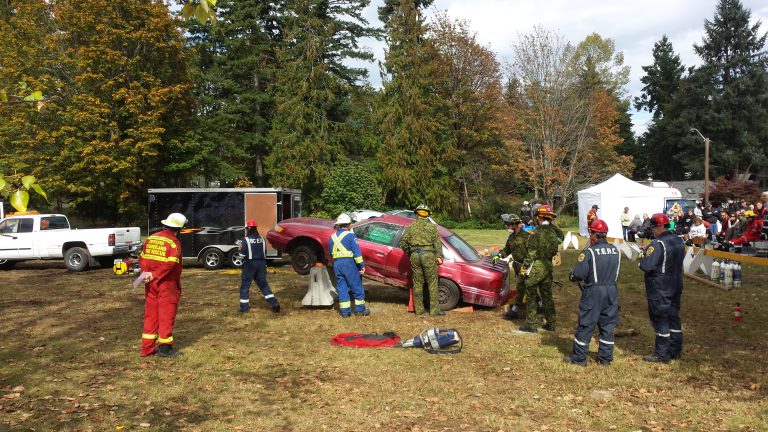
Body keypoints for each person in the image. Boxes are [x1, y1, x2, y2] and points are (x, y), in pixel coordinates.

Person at [564, 219, 620, 366]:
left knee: (586, 324)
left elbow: (579, 274)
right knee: (608, 325)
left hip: (594, 291)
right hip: (612, 290)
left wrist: (572, 275)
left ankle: (579, 358)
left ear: (594, 235)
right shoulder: (616, 250)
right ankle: (606, 358)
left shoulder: (589, 252)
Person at [638, 213, 685, 363]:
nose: (652, 231)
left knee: (660, 319)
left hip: (660, 286)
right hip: (676, 282)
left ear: (658, 227)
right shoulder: (679, 240)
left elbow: (647, 265)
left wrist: (642, 258)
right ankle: (675, 350)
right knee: (673, 316)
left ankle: (661, 353)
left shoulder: (657, 244)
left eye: (653, 228)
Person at [139, 212, 187, 358]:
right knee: (166, 314)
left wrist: (145, 274)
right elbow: (171, 264)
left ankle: (146, 349)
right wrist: (156, 274)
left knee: (151, 314)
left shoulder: (151, 238)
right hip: (167, 284)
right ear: (178, 229)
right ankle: (165, 349)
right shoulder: (174, 242)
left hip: (150, 283)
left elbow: (142, 258)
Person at [518, 205, 563, 333]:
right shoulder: (554, 232)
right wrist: (551, 223)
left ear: (539, 218)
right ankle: (551, 323)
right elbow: (562, 237)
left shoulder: (535, 233)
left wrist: (524, 267)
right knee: (547, 296)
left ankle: (531, 325)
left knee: (531, 295)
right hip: (548, 267)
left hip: (536, 267)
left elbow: (531, 253)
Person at [400, 204, 444, 316]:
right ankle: (434, 311)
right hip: (429, 255)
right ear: (428, 215)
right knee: (432, 283)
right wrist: (439, 256)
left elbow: (403, 243)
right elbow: (437, 244)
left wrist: (410, 252)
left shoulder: (411, 227)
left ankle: (419, 311)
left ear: (416, 214)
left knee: (417, 283)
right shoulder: (433, 227)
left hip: (415, 256)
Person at [329, 213, 368, 317]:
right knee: (356, 286)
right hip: (349, 264)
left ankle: (345, 312)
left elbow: (330, 253)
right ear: (348, 224)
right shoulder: (351, 235)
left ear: (338, 224)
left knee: (342, 287)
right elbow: (357, 253)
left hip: (337, 264)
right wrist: (361, 265)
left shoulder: (332, 237)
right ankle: (360, 310)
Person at [237, 220, 280, 314]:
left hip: (249, 265)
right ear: (255, 228)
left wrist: (239, 252)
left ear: (248, 228)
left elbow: (242, 255)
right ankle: (274, 304)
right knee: (264, 286)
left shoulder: (245, 240)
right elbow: (265, 253)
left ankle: (244, 308)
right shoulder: (262, 239)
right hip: (261, 264)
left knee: (245, 287)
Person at [499, 214, 530, 320]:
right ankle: (540, 304)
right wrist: (498, 255)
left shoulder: (527, 236)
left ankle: (515, 310)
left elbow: (532, 253)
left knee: (521, 287)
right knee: (527, 287)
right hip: (517, 266)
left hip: (526, 266)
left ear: (514, 224)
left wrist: (527, 265)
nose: (507, 226)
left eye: (508, 224)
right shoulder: (511, 237)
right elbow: (507, 250)